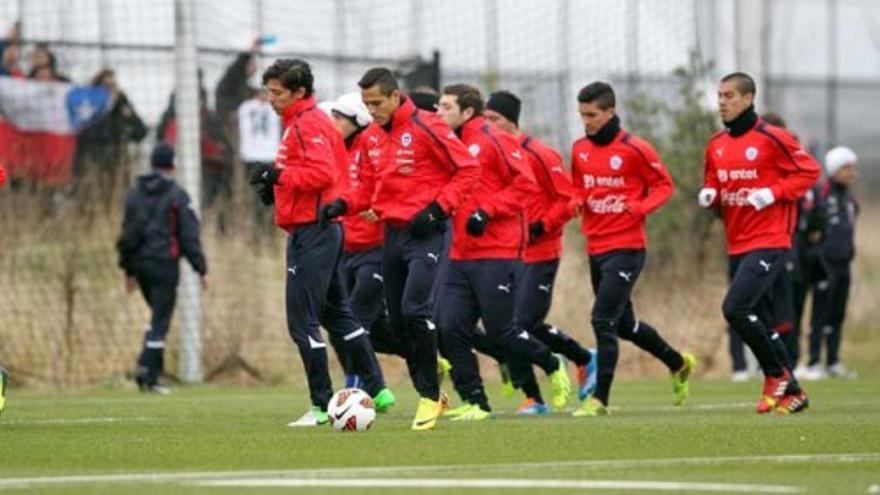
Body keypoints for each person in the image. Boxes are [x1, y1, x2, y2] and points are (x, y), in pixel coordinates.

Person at [319, 68, 480, 430]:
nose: (371, 110)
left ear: (395, 96)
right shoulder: (373, 138)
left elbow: (468, 170)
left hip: (429, 232)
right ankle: (432, 388)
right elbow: (370, 190)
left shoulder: (429, 126)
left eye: (376, 103)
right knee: (398, 321)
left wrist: (437, 209)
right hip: (391, 235)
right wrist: (343, 205)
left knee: (414, 309)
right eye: (366, 104)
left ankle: (427, 396)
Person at [249, 59, 393, 427]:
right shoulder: (305, 122)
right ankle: (378, 390)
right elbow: (315, 173)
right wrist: (276, 186)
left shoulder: (308, 123)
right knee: (337, 314)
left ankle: (320, 406)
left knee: (302, 321)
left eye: (278, 93)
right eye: (269, 91)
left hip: (313, 232)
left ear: (299, 92)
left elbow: (321, 173)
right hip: (318, 229)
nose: (271, 100)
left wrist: (278, 174)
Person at [433, 83, 572, 421]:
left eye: (446, 107)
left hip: (497, 251)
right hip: (459, 253)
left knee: (501, 331)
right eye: (438, 106)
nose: (439, 113)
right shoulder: (448, 144)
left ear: (468, 112)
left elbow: (526, 184)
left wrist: (488, 210)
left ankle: (552, 362)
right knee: (448, 325)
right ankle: (476, 401)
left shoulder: (494, 139)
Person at [571, 81, 696, 417]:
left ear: (611, 112)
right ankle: (678, 363)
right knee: (624, 325)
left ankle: (599, 400)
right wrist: (578, 200)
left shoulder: (635, 148)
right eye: (582, 114)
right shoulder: (579, 149)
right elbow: (579, 187)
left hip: (626, 247)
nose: (587, 121)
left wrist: (640, 208)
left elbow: (664, 186)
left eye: (592, 114)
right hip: (595, 246)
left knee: (602, 319)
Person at [699, 72, 820, 414]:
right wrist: (711, 194)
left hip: (770, 240)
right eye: (720, 95)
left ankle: (775, 374)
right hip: (736, 242)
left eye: (730, 95)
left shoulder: (772, 138)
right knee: (760, 321)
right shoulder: (715, 144)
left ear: (749, 98)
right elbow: (714, 182)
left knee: (734, 308)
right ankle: (794, 392)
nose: (722, 101)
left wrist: (774, 192)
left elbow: (808, 171)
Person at [483, 90, 597, 415]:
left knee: (524, 323)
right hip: (507, 252)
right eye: (486, 119)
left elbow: (570, 200)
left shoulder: (540, 154)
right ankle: (535, 395)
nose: (490, 125)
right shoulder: (491, 153)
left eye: (496, 120)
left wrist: (541, 226)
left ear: (512, 121)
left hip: (541, 251)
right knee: (509, 326)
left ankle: (582, 359)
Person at [319, 93, 408, 387]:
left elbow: (394, 184)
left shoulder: (374, 145)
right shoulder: (334, 150)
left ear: (358, 121)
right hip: (345, 250)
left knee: (353, 321)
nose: (332, 123)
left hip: (377, 249)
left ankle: (359, 389)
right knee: (362, 329)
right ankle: (424, 352)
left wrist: (380, 207)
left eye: (338, 118)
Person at [116, 143, 207, 394]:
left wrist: (129, 270)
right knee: (160, 320)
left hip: (140, 265)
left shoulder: (135, 193)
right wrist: (201, 268)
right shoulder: (177, 194)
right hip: (165, 265)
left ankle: (146, 367)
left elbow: (128, 233)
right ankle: (149, 375)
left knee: (156, 316)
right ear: (172, 165)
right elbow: (188, 235)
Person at [805, 146, 859, 379]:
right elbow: (812, 230)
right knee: (820, 313)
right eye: (847, 168)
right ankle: (814, 361)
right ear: (835, 169)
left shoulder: (849, 200)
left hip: (844, 264)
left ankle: (833, 361)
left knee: (837, 314)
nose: (851, 173)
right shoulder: (822, 194)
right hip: (823, 264)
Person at [74, 69, 148, 200]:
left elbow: (141, 134)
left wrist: (130, 118)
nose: (110, 90)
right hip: (92, 167)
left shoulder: (123, 106)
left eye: (113, 86)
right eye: (105, 87)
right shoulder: (89, 108)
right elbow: (86, 133)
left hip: (118, 167)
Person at [237, 87, 281, 239]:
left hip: (256, 158)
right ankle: (262, 232)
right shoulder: (270, 108)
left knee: (261, 197)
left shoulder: (245, 108)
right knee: (263, 198)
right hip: (263, 157)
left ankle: (261, 232)